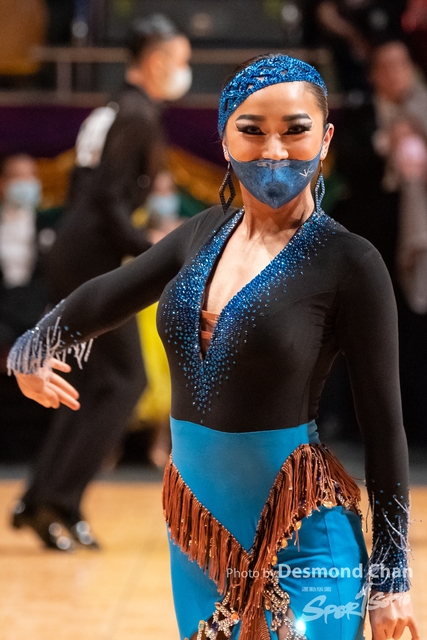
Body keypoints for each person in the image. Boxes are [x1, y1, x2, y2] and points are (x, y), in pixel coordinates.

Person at [8, 54, 418, 639]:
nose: (274, 150)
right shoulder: (202, 233)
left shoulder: (350, 262)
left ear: (325, 139)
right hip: (198, 541)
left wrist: (391, 577)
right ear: (224, 140)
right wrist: (31, 347)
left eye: (295, 130)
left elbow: (384, 428)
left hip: (305, 540)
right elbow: (105, 296)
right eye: (252, 130)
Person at [10, 14, 192, 551]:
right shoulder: (137, 114)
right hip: (92, 259)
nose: (184, 72)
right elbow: (108, 198)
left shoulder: (114, 107)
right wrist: (151, 251)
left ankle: (41, 498)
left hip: (78, 253)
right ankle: (57, 500)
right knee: (125, 381)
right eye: (181, 61)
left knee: (96, 384)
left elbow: (87, 191)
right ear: (156, 61)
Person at [332, 40, 427, 445]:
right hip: (373, 241)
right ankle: (361, 422)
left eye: (401, 65)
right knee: (371, 331)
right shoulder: (361, 115)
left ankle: (418, 421)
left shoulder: (423, 110)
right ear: (373, 76)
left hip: (417, 240)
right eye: (385, 67)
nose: (395, 74)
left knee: (416, 331)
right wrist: (385, 142)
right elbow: (347, 165)